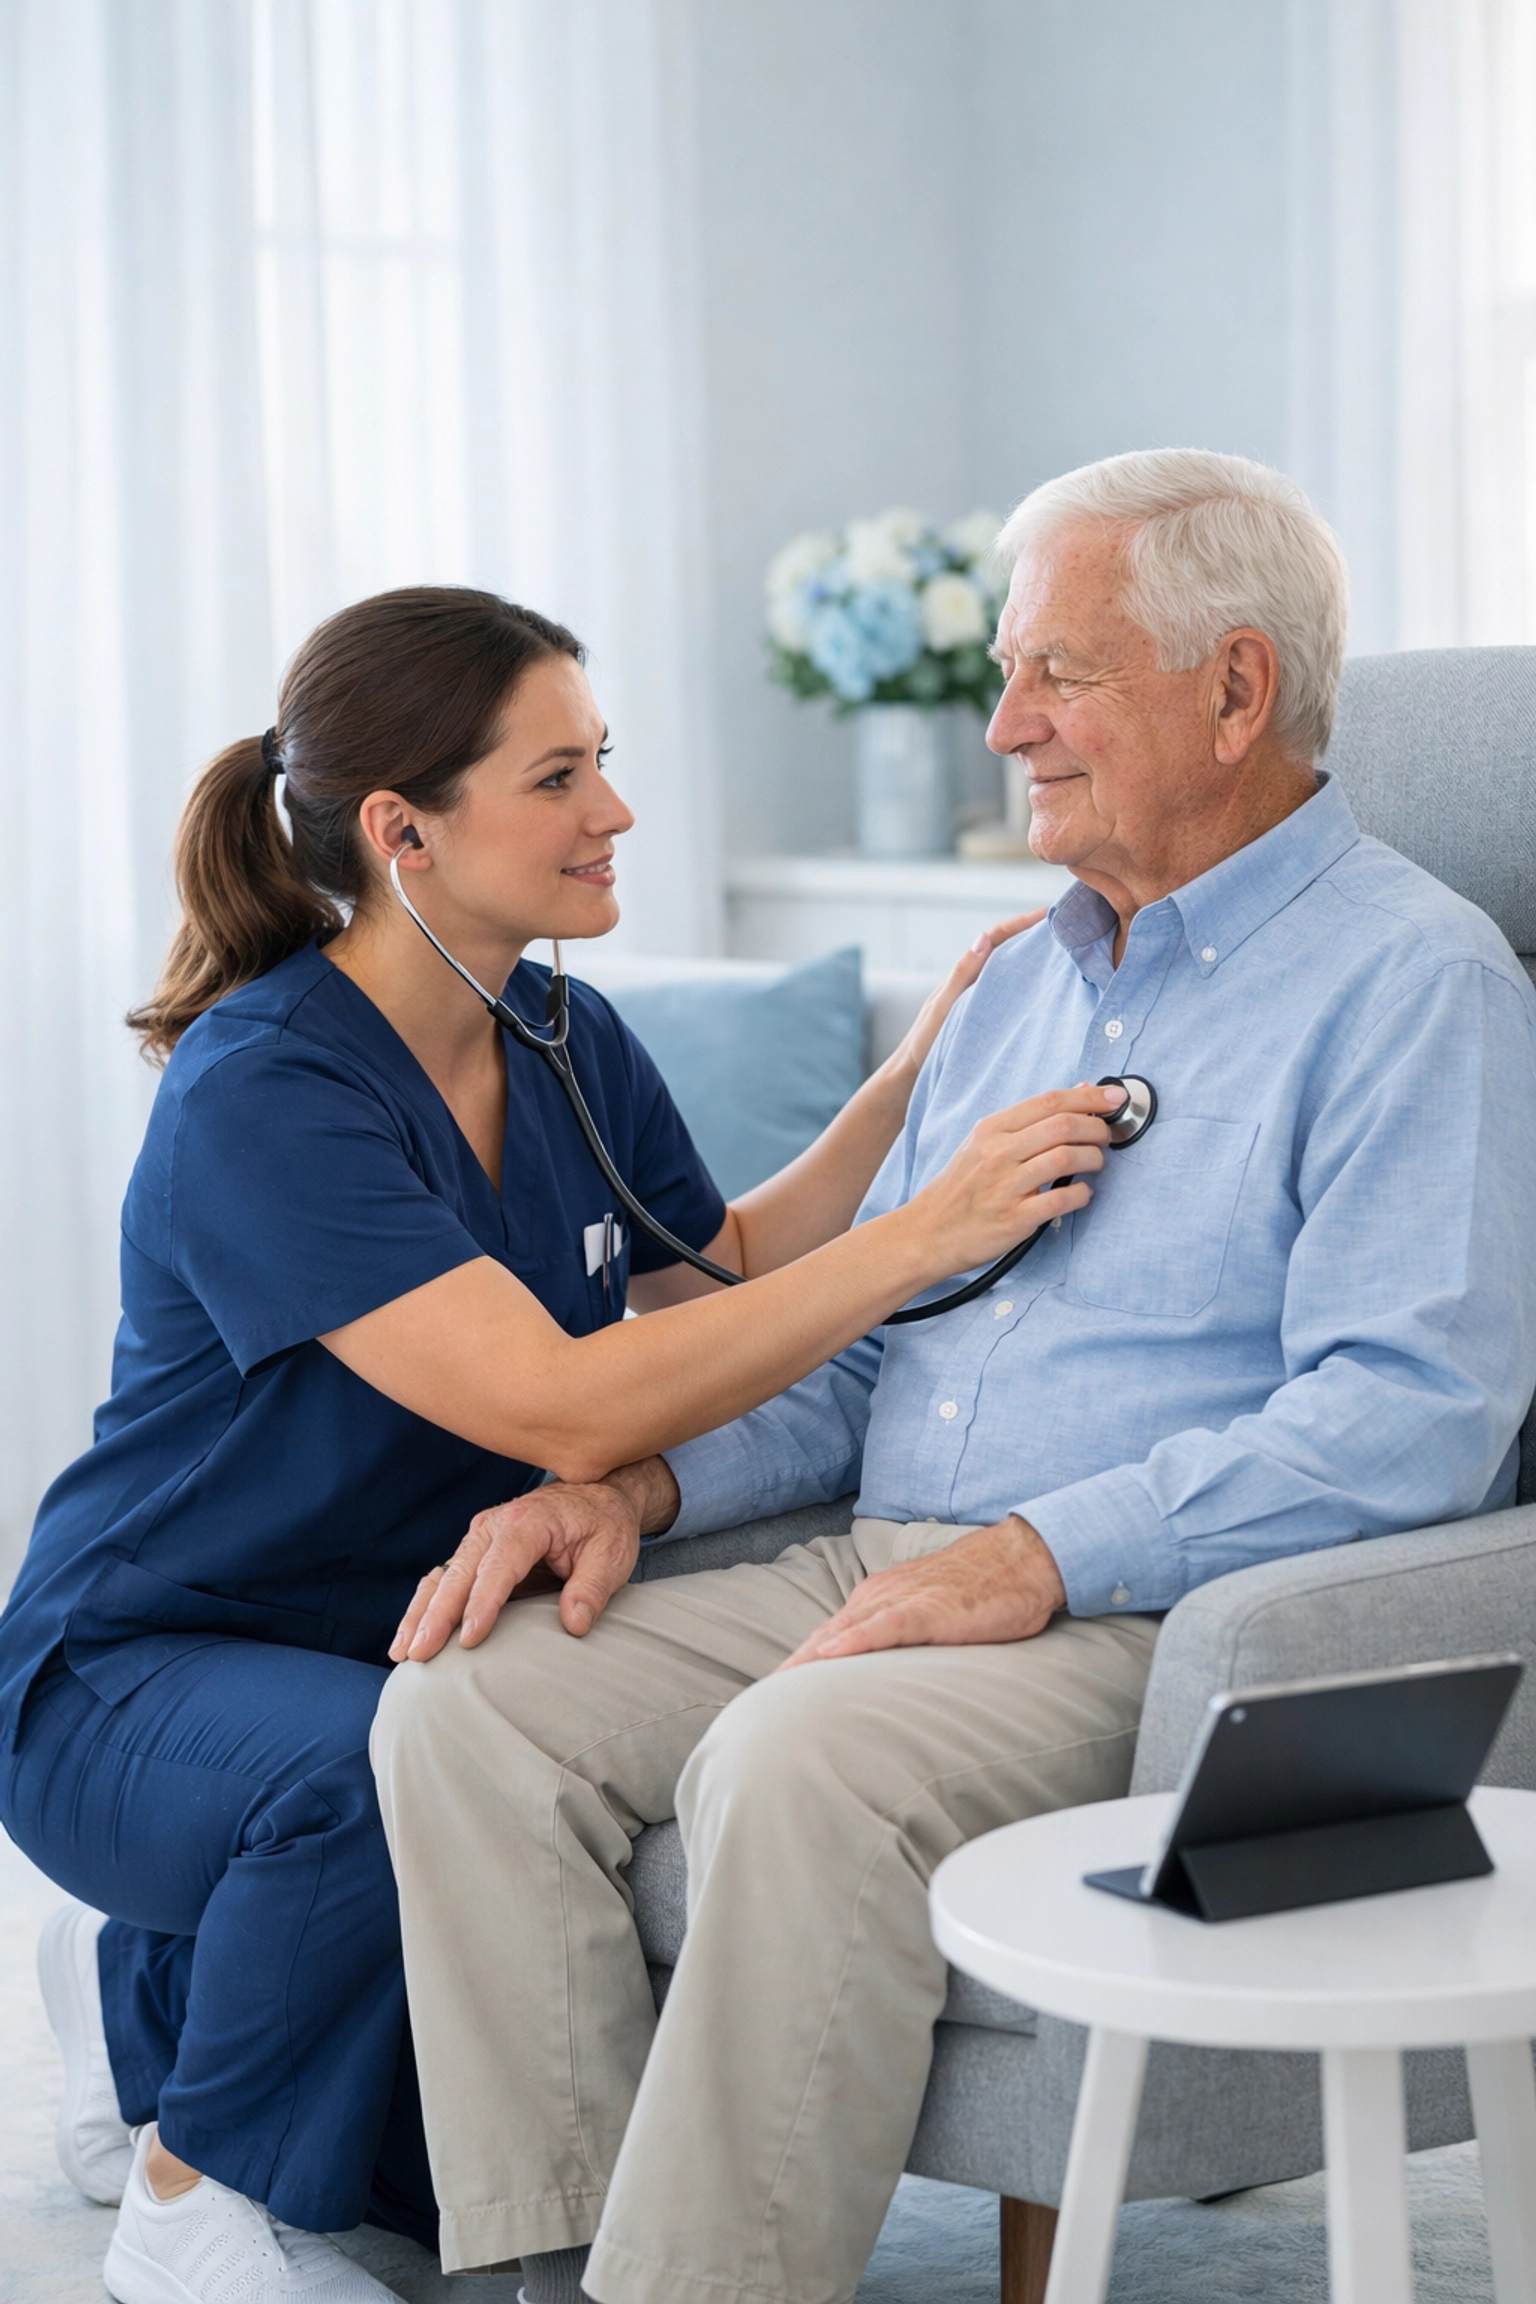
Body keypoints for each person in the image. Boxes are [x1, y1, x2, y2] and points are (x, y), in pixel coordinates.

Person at [371, 450, 1536, 2304]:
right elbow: (860, 1342)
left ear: (1235, 691)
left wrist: (1040, 1558)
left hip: (1157, 1613)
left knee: (802, 1764)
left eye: (1056, 674)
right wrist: (637, 1487)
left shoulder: (1417, 983)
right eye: (1010, 673)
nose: (1005, 728)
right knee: (467, 1708)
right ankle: (561, 2271)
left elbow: (1409, 1420)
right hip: (885, 1554)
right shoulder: (1017, 990)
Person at [0, 584, 1113, 2304]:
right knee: (377, 1774)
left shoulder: (560, 1031)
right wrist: (927, 1237)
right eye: (559, 776)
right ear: (405, 834)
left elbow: (728, 1263)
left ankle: (145, 1982)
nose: (616, 812)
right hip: (145, 1665)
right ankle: (181, 2190)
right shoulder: (267, 1091)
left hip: (393, 1637)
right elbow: (570, 1403)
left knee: (428, 2189)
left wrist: (919, 1084)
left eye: (606, 762)